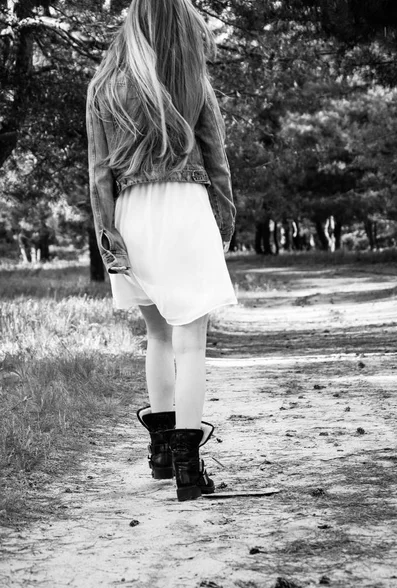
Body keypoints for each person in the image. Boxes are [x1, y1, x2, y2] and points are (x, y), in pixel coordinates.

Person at [86, 0, 237, 502]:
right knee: (191, 342)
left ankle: (160, 455)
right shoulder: (194, 79)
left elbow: (98, 174)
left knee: (157, 337)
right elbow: (216, 157)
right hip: (186, 210)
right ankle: (190, 473)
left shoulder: (104, 84)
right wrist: (225, 220)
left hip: (133, 215)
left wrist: (109, 236)